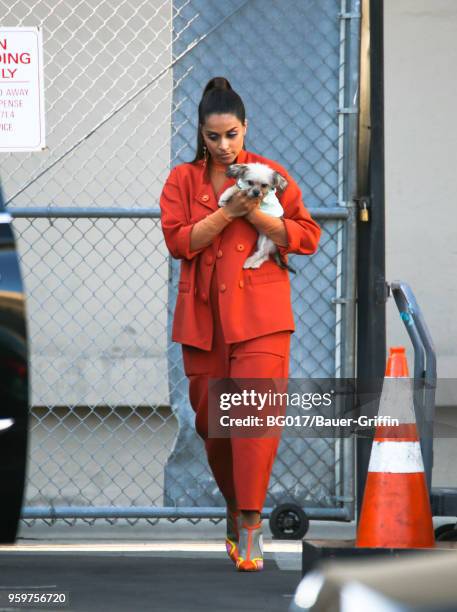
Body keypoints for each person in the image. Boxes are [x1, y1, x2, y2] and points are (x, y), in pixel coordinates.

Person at [159, 76, 321, 572]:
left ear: (245, 128)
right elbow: (179, 242)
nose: (225, 146)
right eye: (214, 137)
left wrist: (263, 220)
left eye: (232, 134)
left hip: (261, 320)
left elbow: (306, 236)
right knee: (214, 429)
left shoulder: (269, 173)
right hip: (204, 323)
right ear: (201, 135)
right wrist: (230, 213)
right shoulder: (182, 181)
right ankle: (235, 507)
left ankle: (251, 523)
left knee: (254, 423)